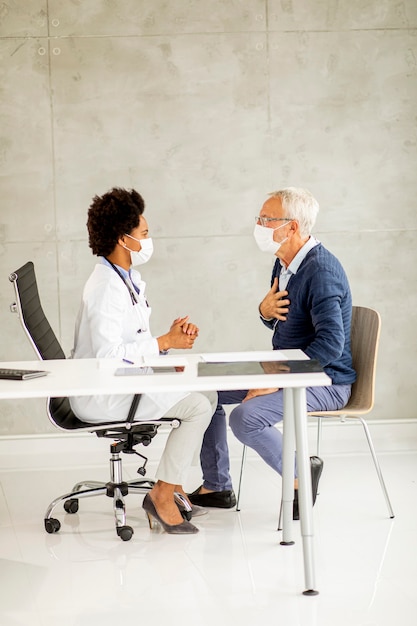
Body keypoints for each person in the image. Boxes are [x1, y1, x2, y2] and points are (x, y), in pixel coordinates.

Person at [189, 186, 356, 518]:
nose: (260, 225)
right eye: (260, 218)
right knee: (203, 390)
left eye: (267, 219)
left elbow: (331, 344)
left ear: (292, 227)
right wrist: (265, 312)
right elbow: (287, 324)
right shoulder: (284, 262)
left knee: (245, 418)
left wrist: (277, 381)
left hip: (328, 380)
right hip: (287, 367)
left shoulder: (321, 271)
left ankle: (300, 475)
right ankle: (217, 486)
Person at [70, 187, 216, 534]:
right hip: (102, 394)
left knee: (208, 395)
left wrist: (165, 342)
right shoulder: (106, 287)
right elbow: (107, 357)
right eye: (145, 234)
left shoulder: (124, 277)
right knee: (197, 405)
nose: (150, 240)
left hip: (121, 382)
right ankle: (161, 496)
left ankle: (174, 484)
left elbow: (129, 341)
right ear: (124, 239)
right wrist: (164, 342)